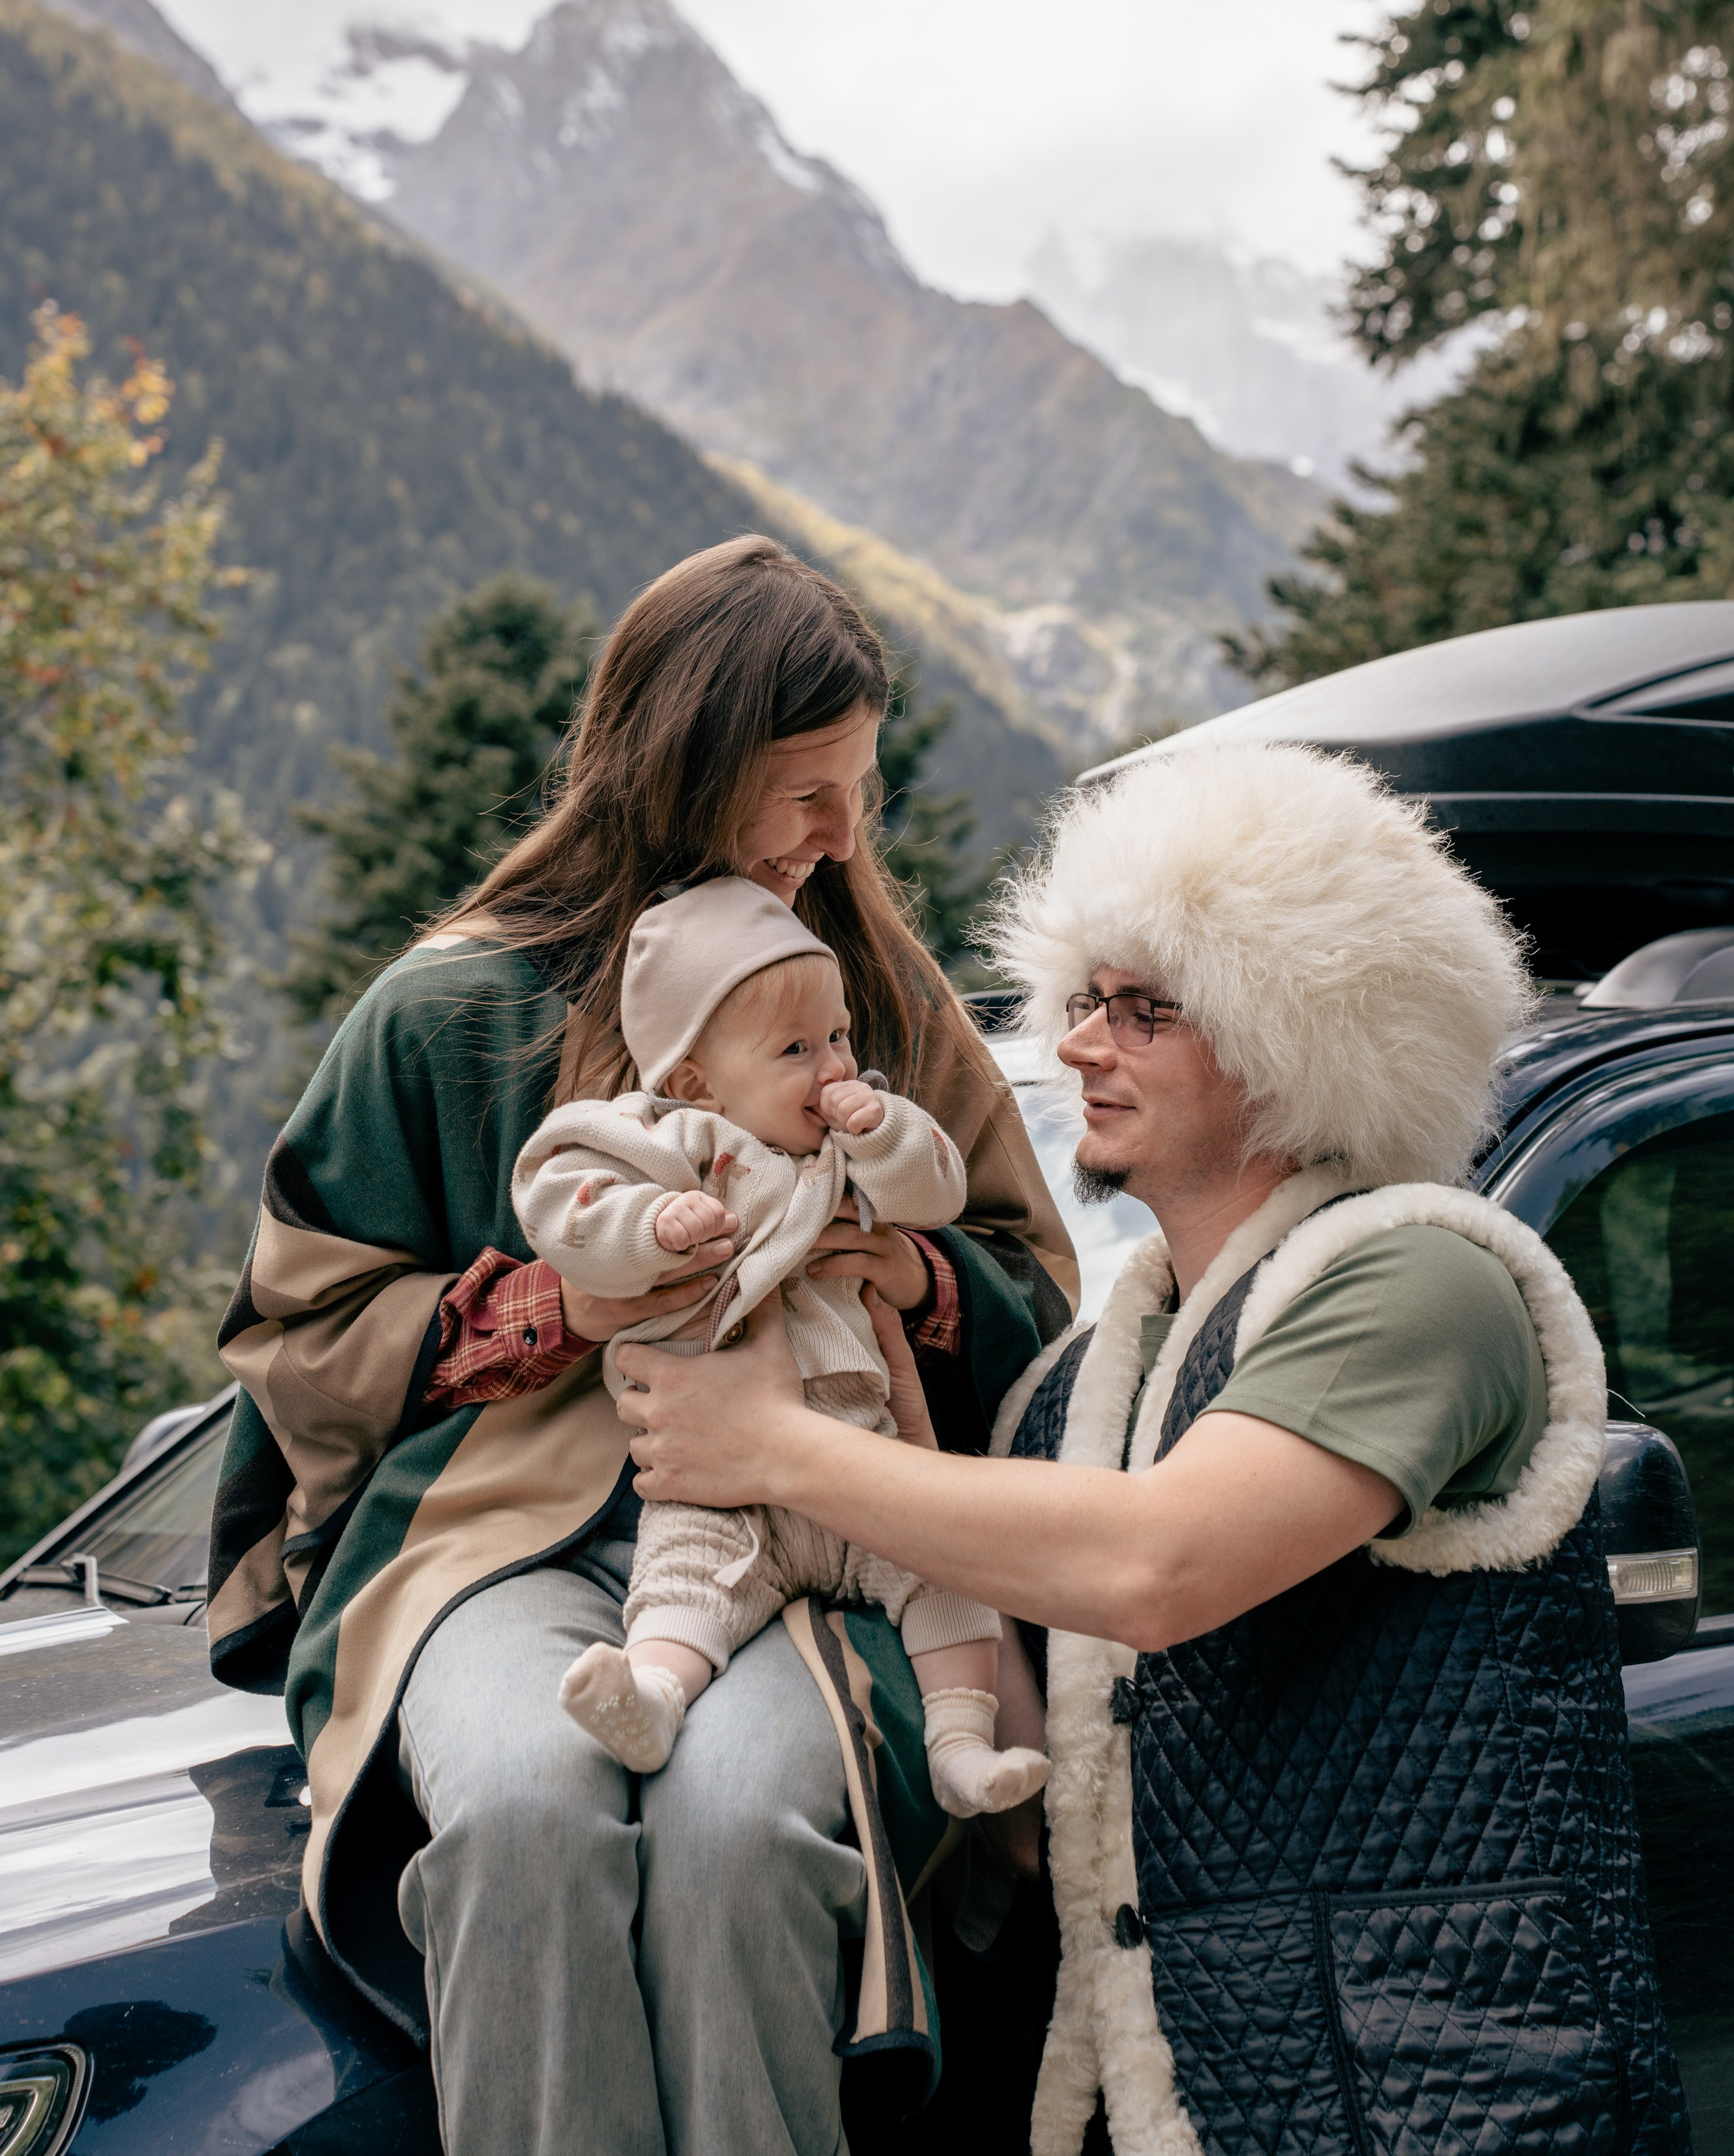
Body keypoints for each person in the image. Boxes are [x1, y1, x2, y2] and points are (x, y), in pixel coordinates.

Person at [619, 740, 1690, 2156]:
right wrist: (875, 1399)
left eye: (1141, 1011)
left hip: (1438, 2104)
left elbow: (1159, 1567)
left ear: (1294, 1026)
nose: (1075, 1047)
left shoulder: (1417, 1279)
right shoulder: (1078, 1394)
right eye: (1081, 1002)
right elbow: (1034, 1809)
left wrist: (772, 1450)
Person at [204, 533, 1077, 2156]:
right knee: (524, 1817)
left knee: (749, 1831)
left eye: (857, 790)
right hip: (489, 1547)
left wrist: (910, 1275)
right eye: (800, 789)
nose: (838, 835)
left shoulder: (874, 1001)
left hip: (818, 1541)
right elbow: (297, 1331)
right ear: (677, 767)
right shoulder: (450, 1012)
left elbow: (1030, 1280)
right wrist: (556, 1308)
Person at [518, 873, 1051, 1820]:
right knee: (682, 1586)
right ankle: (653, 1698)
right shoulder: (667, 1141)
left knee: (947, 1577)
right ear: (694, 1083)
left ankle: (961, 1746)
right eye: (796, 1049)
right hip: (721, 1481)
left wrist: (885, 1133)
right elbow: (560, 1203)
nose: (833, 1066)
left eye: (839, 1036)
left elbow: (939, 1191)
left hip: (862, 1458)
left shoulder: (853, 1145)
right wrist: (651, 1224)